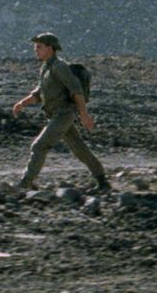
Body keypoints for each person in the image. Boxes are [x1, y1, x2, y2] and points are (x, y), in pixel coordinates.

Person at [10, 32, 109, 192]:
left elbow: (76, 91)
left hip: (63, 115)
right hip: (57, 115)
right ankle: (102, 180)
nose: (35, 50)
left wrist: (85, 116)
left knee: (39, 146)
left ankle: (25, 183)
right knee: (79, 149)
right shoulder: (46, 68)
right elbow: (39, 93)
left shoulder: (59, 67)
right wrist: (22, 103)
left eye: (39, 47)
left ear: (50, 48)